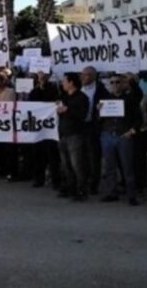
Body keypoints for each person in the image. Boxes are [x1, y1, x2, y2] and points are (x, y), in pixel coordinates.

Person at [99, 73, 142, 206]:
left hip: (124, 136)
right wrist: (98, 111)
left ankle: (131, 195)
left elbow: (139, 119)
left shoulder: (130, 99)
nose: (115, 85)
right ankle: (112, 192)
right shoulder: (105, 99)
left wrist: (132, 131)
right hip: (108, 135)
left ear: (123, 84)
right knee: (110, 167)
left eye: (118, 82)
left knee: (127, 167)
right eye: (112, 83)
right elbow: (98, 120)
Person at [57, 72, 90, 201]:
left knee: (77, 164)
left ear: (71, 82)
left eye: (64, 81)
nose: (62, 83)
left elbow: (82, 116)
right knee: (66, 164)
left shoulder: (82, 97)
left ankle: (82, 190)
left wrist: (68, 110)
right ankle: (70, 188)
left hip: (75, 134)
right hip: (63, 134)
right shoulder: (64, 97)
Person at [29, 70, 61, 188]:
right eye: (39, 75)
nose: (41, 77)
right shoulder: (34, 91)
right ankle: (39, 179)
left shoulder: (54, 89)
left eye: (44, 76)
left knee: (53, 156)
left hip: (50, 128)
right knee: (38, 155)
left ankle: (55, 180)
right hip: (38, 128)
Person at [80, 66, 109, 195]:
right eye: (82, 74)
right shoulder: (79, 88)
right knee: (82, 156)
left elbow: (109, 104)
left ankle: (93, 184)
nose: (83, 77)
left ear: (92, 76)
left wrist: (102, 108)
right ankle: (83, 181)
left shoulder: (101, 89)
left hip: (93, 126)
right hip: (80, 126)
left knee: (94, 156)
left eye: (86, 75)